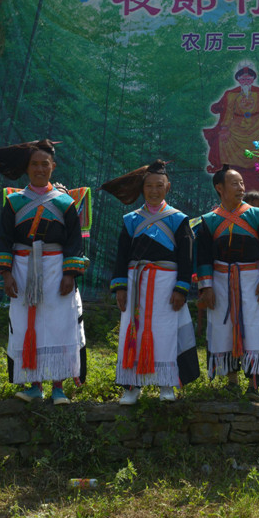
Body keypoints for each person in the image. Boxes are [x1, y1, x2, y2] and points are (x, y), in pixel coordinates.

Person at [0, 139, 86, 404]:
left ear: (53, 166)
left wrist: (69, 274)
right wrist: (6, 274)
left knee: (59, 324)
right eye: (34, 164)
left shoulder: (65, 203)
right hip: (23, 269)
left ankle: (58, 386)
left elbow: (74, 242)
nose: (39, 169)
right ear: (27, 167)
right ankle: (35, 385)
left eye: (44, 164)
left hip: (56, 269)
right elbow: (4, 239)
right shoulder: (13, 202)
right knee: (26, 324)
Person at [102, 160, 200, 405]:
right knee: (132, 330)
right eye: (149, 186)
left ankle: (166, 383)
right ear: (142, 188)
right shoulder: (131, 220)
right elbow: (122, 256)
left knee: (165, 332)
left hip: (167, 284)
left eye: (159, 185)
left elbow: (186, 258)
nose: (154, 190)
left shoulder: (178, 219)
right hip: (136, 283)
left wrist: (181, 288)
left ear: (168, 187)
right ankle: (131, 386)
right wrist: (121, 287)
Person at [197, 165, 259, 401]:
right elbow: (203, 257)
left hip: (253, 281)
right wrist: (207, 288)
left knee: (254, 328)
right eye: (234, 183)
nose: (241, 188)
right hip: (220, 282)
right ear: (219, 188)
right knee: (224, 327)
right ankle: (232, 381)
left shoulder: (258, 215)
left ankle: (254, 383)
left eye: (242, 183)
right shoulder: (208, 221)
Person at [203, 62, 259, 191]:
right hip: (236, 124)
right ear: (238, 80)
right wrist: (224, 128)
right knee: (223, 140)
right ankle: (230, 174)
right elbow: (227, 113)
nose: (245, 81)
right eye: (243, 79)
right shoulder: (230, 94)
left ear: (253, 79)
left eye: (248, 79)